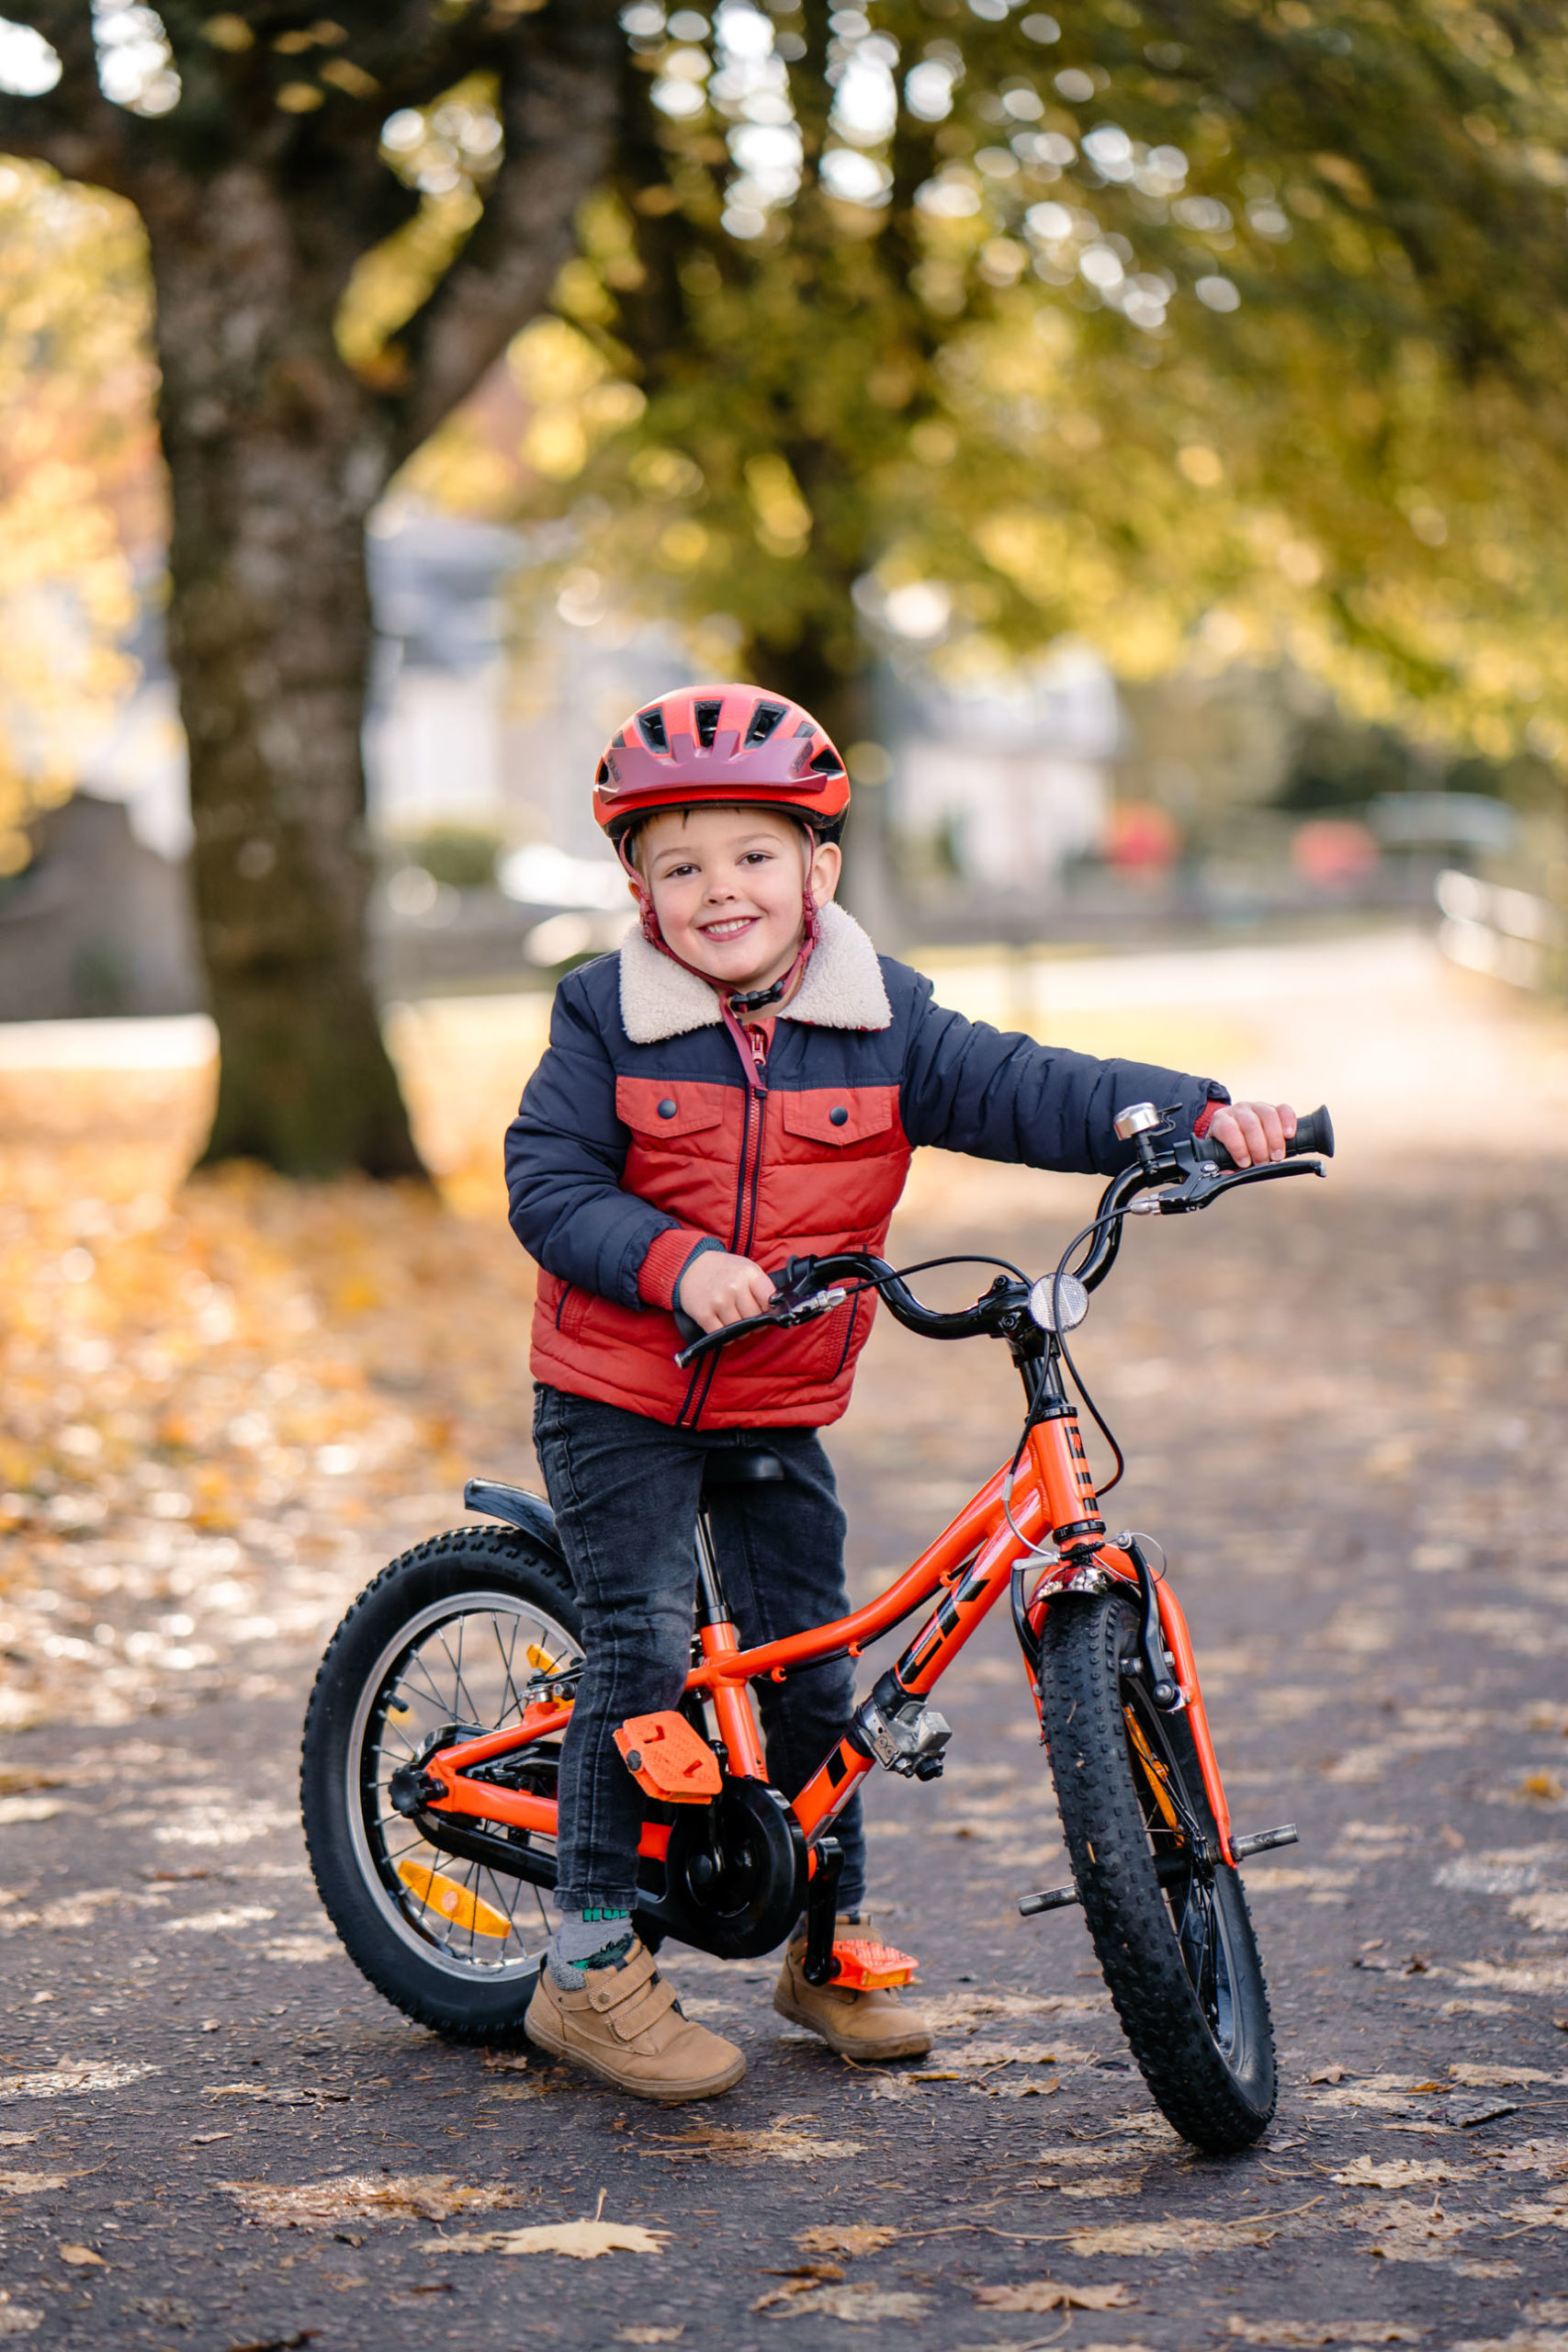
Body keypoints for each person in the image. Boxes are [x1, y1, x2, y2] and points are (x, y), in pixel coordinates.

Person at [504, 683, 1295, 2103]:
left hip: (774, 1393)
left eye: (753, 855)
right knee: (644, 1644)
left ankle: (826, 1941)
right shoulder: (603, 1017)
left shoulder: (886, 1023)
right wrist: (676, 1262)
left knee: (812, 1660)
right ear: (636, 886)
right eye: (678, 865)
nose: (718, 890)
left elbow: (1033, 1085)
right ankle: (588, 1966)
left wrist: (1198, 1114)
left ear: (822, 868)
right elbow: (547, 1181)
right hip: (621, 1384)